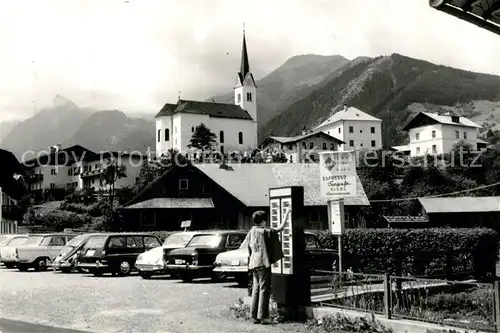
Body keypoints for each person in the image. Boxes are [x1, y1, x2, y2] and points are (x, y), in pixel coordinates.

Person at [245, 209, 289, 324]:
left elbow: (249, 248)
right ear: (264, 221)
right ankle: (263, 317)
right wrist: (287, 213)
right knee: (264, 289)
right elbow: (280, 228)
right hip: (263, 262)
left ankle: (254, 316)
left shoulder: (251, 231)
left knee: (256, 288)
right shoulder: (264, 231)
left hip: (253, 262)